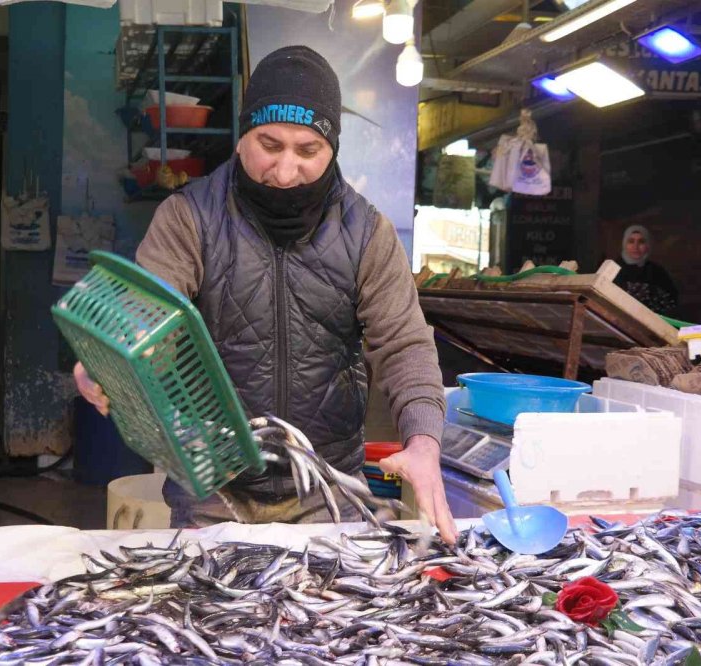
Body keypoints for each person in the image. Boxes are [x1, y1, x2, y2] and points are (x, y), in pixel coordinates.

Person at [74, 45, 458, 544]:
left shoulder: (367, 232)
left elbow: (404, 344)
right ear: (242, 138)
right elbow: (146, 316)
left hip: (326, 488)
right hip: (214, 488)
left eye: (307, 151)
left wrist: (424, 443)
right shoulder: (189, 218)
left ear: (332, 149)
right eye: (269, 145)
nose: (284, 171)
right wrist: (108, 356)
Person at [614, 224, 678, 315]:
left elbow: (671, 300)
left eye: (641, 242)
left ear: (648, 245)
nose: (636, 246)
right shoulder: (613, 268)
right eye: (631, 241)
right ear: (624, 244)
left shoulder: (657, 271)